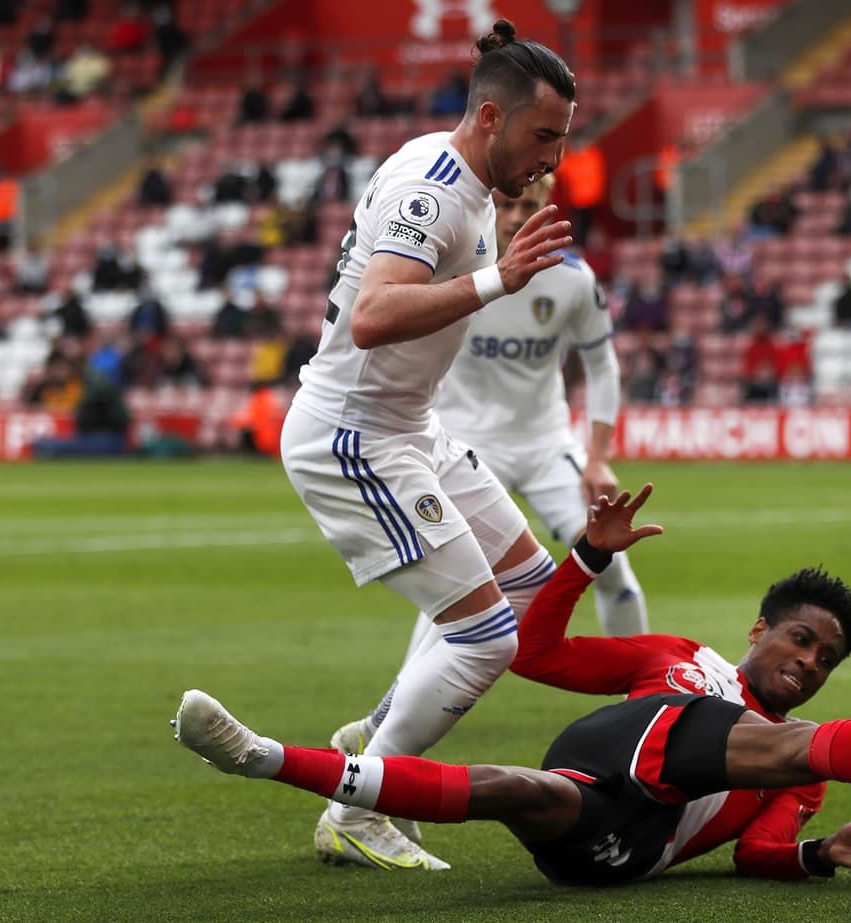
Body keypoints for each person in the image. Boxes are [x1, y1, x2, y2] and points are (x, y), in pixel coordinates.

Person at [173, 486, 851, 885]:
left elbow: (758, 855)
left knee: (761, 736)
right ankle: (262, 758)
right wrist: (583, 557)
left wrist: (817, 853)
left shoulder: (798, 766)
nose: (807, 662)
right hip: (583, 795)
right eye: (800, 639)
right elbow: (535, 652)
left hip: (632, 843)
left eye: (825, 658)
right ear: (760, 629)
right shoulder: (673, 651)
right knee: (510, 786)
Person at [277, 19, 576, 871]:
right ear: (490, 117)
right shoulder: (436, 189)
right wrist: (498, 280)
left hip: (412, 426)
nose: (552, 158)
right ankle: (357, 806)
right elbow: (373, 316)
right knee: (486, 637)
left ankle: (377, 729)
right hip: (355, 437)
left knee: (527, 586)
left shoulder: (462, 176)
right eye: (543, 135)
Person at [329, 171, 649, 780]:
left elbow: (602, 366)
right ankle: (386, 723)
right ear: (489, 203)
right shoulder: (456, 269)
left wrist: (599, 454)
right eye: (507, 202)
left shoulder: (573, 279)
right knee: (455, 591)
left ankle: (641, 717)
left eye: (530, 204)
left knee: (617, 570)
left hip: (545, 444)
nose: (516, 214)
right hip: (463, 443)